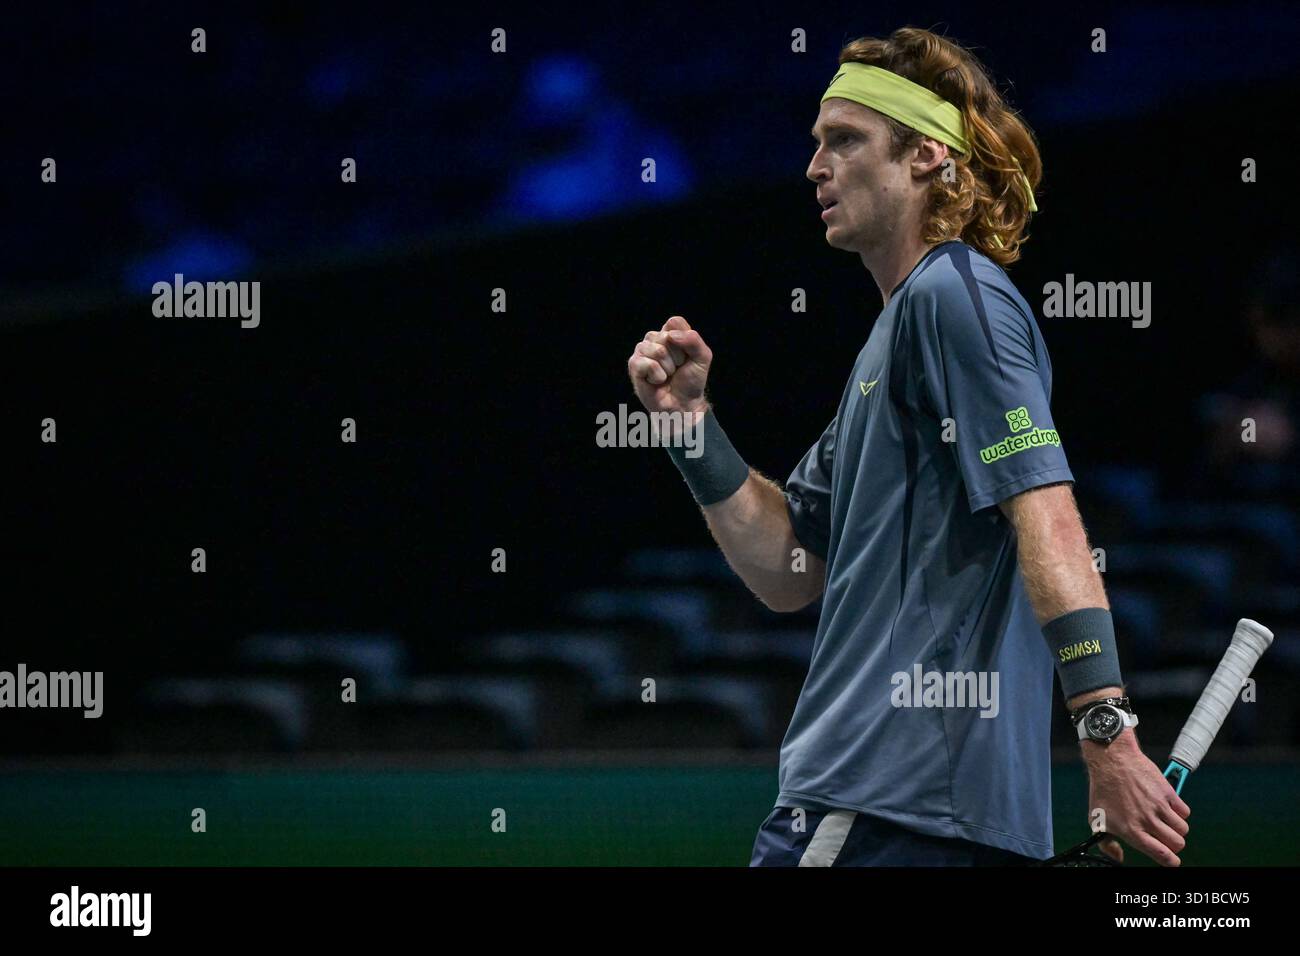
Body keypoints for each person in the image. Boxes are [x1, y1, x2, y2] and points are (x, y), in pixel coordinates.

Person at [626, 27, 1190, 866]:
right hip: (935, 822)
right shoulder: (898, 338)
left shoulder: (952, 298)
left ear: (927, 156)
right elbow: (787, 570)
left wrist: (1107, 735)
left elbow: (1049, 515)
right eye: (816, 144)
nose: (815, 167)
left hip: (876, 810)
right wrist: (688, 427)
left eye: (844, 140)